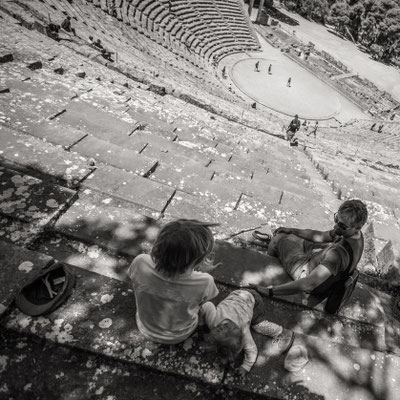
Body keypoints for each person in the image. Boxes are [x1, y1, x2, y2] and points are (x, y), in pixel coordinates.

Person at [251, 200, 368, 305]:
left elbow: (309, 283)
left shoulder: (338, 254)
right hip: (322, 257)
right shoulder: (355, 235)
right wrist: (292, 230)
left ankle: (269, 263)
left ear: (357, 227)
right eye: (337, 218)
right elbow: (323, 236)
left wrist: (270, 291)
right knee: (292, 235)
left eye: (342, 225)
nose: (336, 226)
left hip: (305, 272)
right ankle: (281, 248)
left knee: (279, 237)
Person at [128, 219, 219, 344]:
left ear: (158, 246)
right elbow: (204, 299)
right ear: (199, 261)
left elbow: (133, 276)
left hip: (145, 328)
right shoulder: (205, 281)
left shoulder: (140, 262)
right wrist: (204, 272)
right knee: (208, 306)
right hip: (180, 334)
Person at [200, 289, 294, 377]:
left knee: (258, 326)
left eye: (220, 329)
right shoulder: (213, 320)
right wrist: (200, 319)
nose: (226, 326)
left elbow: (252, 350)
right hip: (239, 293)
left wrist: (246, 366)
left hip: (254, 300)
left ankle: (280, 332)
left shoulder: (242, 328)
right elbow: (207, 305)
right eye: (220, 329)